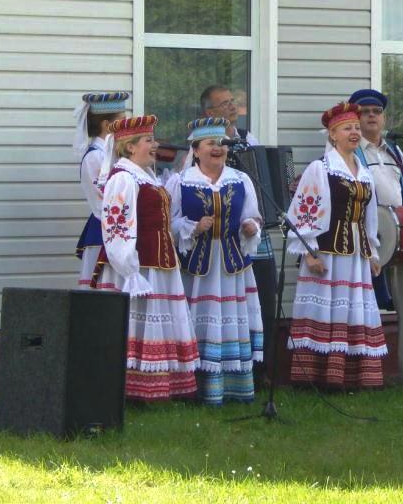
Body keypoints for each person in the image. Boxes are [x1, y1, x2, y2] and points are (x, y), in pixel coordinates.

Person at [93, 115, 198, 401]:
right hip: (136, 267)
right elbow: (116, 226)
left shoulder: (146, 177)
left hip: (159, 263)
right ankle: (131, 389)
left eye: (154, 139)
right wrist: (129, 269)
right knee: (135, 323)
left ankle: (157, 387)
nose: (155, 145)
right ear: (129, 147)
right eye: (149, 140)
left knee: (154, 323)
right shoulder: (124, 178)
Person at [285, 102, 388, 389]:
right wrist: (309, 251)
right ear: (332, 135)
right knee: (328, 309)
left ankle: (350, 375)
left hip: (356, 253)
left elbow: (370, 215)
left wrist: (373, 251)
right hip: (328, 251)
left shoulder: (362, 171)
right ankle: (320, 375)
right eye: (347, 128)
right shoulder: (321, 168)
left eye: (356, 128)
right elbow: (302, 212)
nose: (354, 132)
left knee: (351, 309)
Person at [166, 117, 265, 404]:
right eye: (210, 143)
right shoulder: (180, 182)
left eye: (221, 143)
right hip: (198, 269)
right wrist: (193, 228)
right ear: (195, 150)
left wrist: (250, 227)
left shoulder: (240, 178)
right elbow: (169, 225)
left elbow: (253, 215)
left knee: (229, 322)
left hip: (231, 265)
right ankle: (195, 388)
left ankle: (232, 387)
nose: (217, 148)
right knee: (199, 321)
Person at [348, 87, 403, 386]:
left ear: (384, 118)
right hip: (364, 238)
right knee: (365, 304)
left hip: (401, 234)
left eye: (376, 112)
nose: (371, 117)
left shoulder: (395, 151)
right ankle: (367, 370)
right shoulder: (348, 150)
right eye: (364, 112)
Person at [200, 82, 276, 386]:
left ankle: (262, 367)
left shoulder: (248, 139)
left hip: (255, 230)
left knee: (264, 297)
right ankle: (229, 368)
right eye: (224, 104)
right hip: (223, 239)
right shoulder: (204, 146)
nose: (232, 108)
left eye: (233, 102)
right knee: (232, 302)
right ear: (209, 112)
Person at [72, 91, 128, 288]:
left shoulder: (114, 154)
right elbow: (107, 199)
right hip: (104, 230)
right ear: (107, 125)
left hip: (120, 230)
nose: (126, 125)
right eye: (122, 120)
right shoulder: (95, 157)